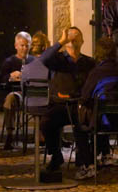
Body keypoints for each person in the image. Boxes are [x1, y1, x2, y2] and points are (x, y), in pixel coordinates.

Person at [37, 27, 95, 174]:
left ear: (82, 41)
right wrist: (61, 42)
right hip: (59, 105)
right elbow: (43, 59)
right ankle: (56, 156)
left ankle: (84, 161)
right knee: (46, 122)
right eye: (70, 36)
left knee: (83, 124)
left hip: (79, 106)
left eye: (77, 36)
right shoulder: (57, 60)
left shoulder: (89, 62)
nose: (73, 39)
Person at [75, 37, 118, 179]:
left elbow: (84, 96)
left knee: (80, 124)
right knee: (102, 111)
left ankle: (88, 164)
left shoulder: (96, 72)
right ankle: (105, 153)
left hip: (103, 121)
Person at [0, 32, 35, 150]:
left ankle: (42, 135)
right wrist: (11, 76)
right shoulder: (9, 62)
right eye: (22, 45)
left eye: (27, 45)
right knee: (10, 99)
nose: (25, 48)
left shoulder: (34, 61)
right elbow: (1, 82)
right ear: (16, 46)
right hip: (17, 93)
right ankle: (10, 135)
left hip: (32, 93)